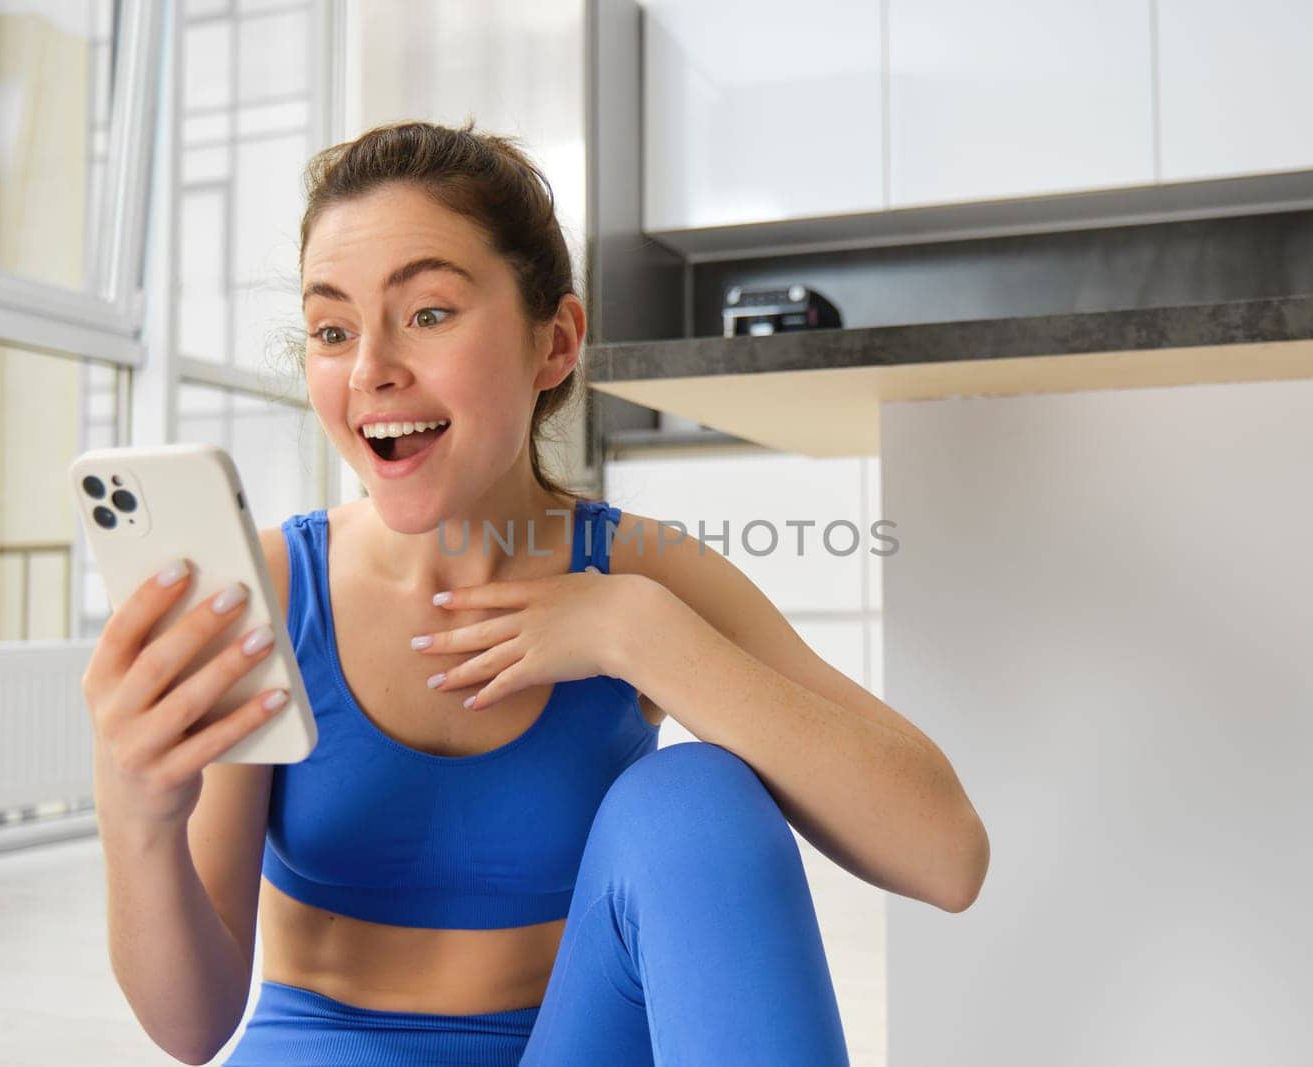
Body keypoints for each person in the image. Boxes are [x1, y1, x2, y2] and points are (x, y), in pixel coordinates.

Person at [82, 119, 989, 1065]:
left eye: (428, 312)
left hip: (573, 1044)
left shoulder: (638, 571)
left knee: (695, 794)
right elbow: (192, 1030)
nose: (370, 369)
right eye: (332, 329)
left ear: (554, 344)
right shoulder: (266, 591)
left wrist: (642, 634)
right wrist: (136, 818)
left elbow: (947, 854)